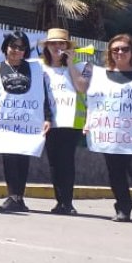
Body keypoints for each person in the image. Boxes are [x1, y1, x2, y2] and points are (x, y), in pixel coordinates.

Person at [86, 34, 132, 225]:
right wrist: (89, 122)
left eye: (124, 49)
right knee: (115, 173)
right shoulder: (100, 76)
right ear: (110, 53)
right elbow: (94, 103)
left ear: (131, 52)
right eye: (115, 49)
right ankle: (123, 209)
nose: (120, 52)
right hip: (110, 134)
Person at [0, 30, 52, 213]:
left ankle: (19, 197)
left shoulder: (35, 69)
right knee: (9, 157)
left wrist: (47, 117)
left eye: (21, 47)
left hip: (28, 122)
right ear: (6, 47)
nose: (16, 50)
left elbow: (43, 94)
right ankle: (13, 196)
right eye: (13, 46)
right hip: (5, 122)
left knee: (23, 157)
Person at [39, 28, 90, 215]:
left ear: (68, 46)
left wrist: (70, 64)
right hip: (49, 122)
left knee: (67, 162)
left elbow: (82, 87)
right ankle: (59, 201)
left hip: (71, 122)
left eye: (61, 43)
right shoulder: (39, 66)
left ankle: (67, 202)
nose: (57, 47)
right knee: (53, 162)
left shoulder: (83, 65)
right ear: (47, 46)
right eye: (53, 43)